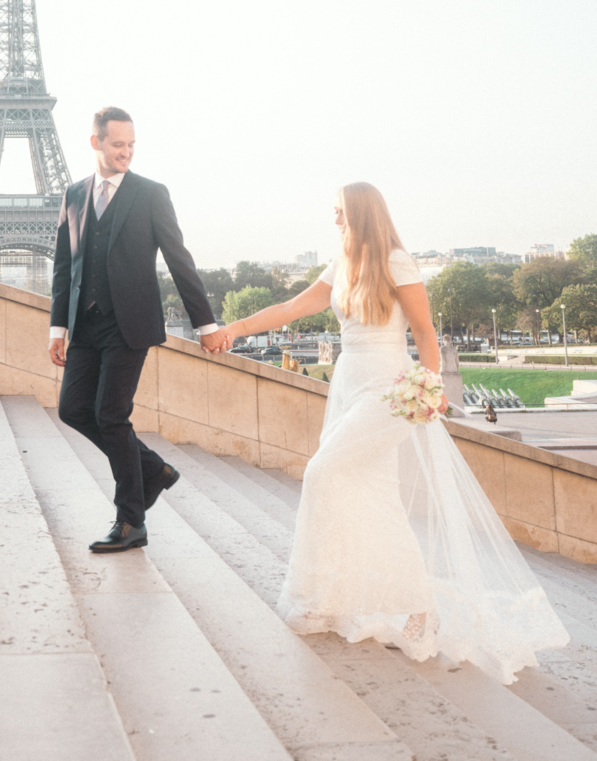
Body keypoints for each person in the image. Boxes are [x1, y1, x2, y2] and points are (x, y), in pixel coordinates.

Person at [216, 182, 568, 684]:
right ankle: (383, 602)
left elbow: (424, 332)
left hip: (389, 388)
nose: (334, 220)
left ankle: (363, 599)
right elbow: (293, 309)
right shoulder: (340, 264)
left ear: (361, 213)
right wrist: (235, 328)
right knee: (372, 493)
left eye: (340, 212)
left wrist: (427, 387)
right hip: (349, 383)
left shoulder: (399, 263)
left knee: (322, 473)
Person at [49, 106, 224, 553]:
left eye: (131, 145)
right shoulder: (72, 195)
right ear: (96, 143)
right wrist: (57, 327)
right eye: (116, 144)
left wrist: (205, 323)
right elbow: (65, 266)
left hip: (130, 325)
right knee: (72, 409)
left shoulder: (150, 194)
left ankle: (131, 520)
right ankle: (152, 471)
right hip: (85, 325)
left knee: (111, 416)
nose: (125, 152)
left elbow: (178, 259)